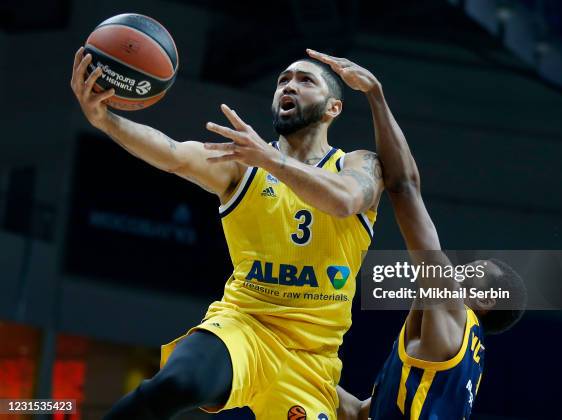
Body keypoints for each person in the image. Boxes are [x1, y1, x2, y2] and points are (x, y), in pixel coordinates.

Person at [70, 46, 384, 419]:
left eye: (305, 80)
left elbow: (345, 201)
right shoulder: (244, 167)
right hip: (245, 326)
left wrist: (272, 160)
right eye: (283, 80)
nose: (289, 86)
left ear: (334, 108)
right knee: (176, 384)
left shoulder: (358, 163)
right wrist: (105, 120)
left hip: (311, 359)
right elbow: (172, 153)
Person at [305, 52, 527, 420]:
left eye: (474, 273)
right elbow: (366, 414)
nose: (461, 269)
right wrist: (296, 372)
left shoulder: (454, 314)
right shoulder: (459, 352)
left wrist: (375, 95)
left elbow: (404, 187)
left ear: (486, 299)